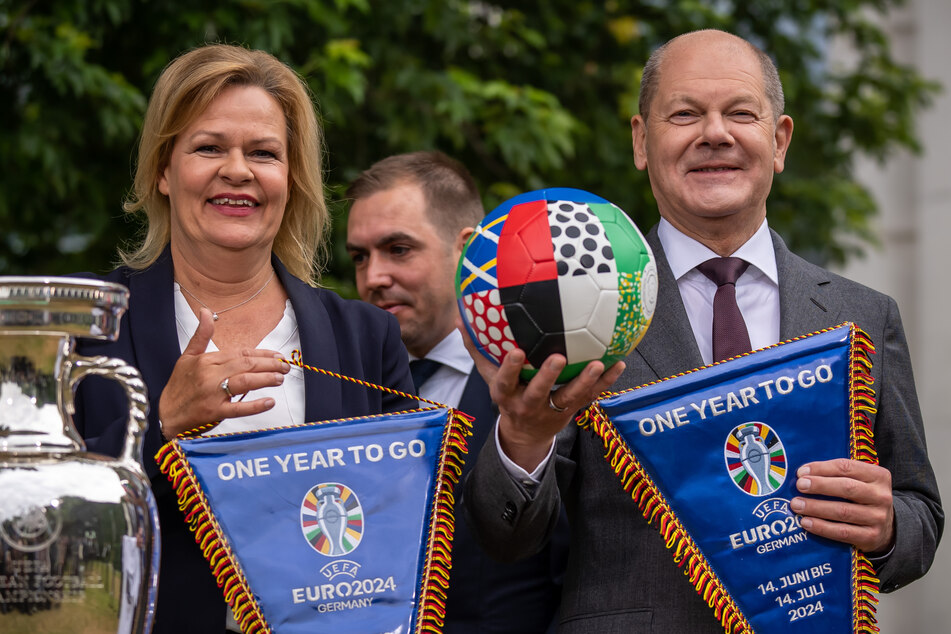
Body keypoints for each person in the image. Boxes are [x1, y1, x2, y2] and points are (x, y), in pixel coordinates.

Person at [462, 29, 943, 632]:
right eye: (684, 113)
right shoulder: (564, 307)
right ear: (642, 141)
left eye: (740, 113)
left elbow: (921, 518)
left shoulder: (862, 315)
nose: (714, 133)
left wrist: (888, 525)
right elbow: (505, 539)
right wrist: (523, 440)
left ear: (780, 140)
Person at [71, 44, 415, 633]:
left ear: (291, 178)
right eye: (209, 148)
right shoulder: (86, 327)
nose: (239, 170)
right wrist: (159, 427)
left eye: (264, 153)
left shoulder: (368, 338)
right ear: (162, 169)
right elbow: (35, 523)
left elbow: (409, 529)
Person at [345, 151, 569, 633]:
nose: (374, 277)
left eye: (398, 249)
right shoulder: (341, 390)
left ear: (467, 250)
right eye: (360, 257)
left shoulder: (552, 385)